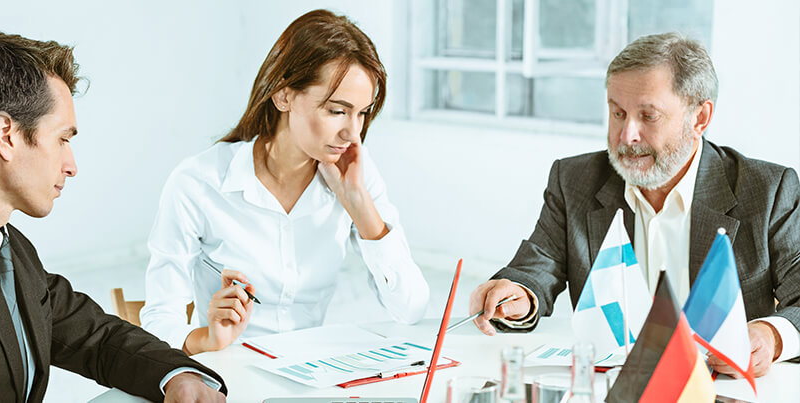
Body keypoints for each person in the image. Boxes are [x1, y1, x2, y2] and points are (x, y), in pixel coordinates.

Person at [0, 33, 226, 402]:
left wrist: (177, 377)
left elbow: (96, 337)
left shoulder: (5, 246)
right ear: (6, 135)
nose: (72, 165)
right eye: (62, 139)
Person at [468, 32, 800, 377]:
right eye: (618, 113)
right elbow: (535, 269)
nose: (627, 136)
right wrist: (516, 294)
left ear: (699, 118)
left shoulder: (767, 191)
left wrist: (771, 337)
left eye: (648, 116)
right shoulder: (575, 180)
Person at [140, 9, 430, 356]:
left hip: (311, 370)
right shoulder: (198, 183)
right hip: (230, 369)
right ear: (283, 96)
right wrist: (207, 338)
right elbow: (159, 321)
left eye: (362, 113)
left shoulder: (355, 175)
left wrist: (358, 203)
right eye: (337, 111)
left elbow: (411, 308)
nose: (352, 133)